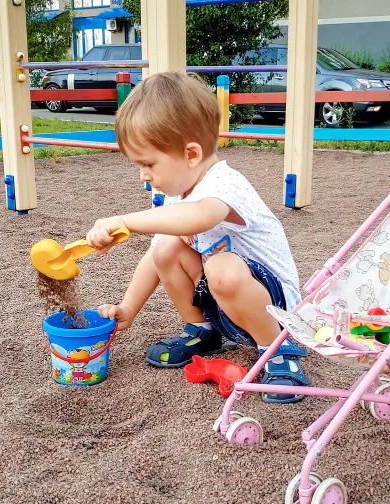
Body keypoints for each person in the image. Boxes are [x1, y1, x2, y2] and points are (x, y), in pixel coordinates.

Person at [85, 71, 308, 403]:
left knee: (221, 268)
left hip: (275, 310)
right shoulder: (178, 196)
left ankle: (277, 348)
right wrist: (128, 308)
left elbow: (200, 217)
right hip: (227, 308)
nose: (143, 176)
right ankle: (202, 331)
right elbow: (155, 256)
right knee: (164, 248)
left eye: (148, 164)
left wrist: (125, 221)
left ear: (191, 154)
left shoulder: (224, 184)